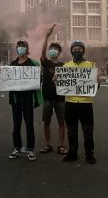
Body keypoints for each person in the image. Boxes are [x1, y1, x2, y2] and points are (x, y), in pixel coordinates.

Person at [62, 41, 97, 164]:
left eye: (80, 49)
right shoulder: (65, 66)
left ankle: (89, 154)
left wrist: (97, 81)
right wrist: (57, 80)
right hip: (70, 103)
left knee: (88, 130)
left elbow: (95, 86)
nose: (77, 51)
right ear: (71, 51)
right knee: (71, 131)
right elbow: (61, 85)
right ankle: (72, 153)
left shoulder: (91, 65)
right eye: (75, 49)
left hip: (85, 103)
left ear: (83, 51)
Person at [8, 40, 40, 161]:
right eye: (19, 46)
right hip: (16, 99)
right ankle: (17, 147)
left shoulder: (33, 64)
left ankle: (30, 149)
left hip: (28, 98)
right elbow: (8, 80)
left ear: (27, 48)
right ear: (16, 49)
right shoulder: (12, 64)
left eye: (23, 46)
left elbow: (38, 80)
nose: (20, 48)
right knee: (16, 125)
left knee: (29, 124)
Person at [40, 25, 66, 155]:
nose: (53, 50)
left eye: (55, 49)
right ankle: (48, 144)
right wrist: (47, 37)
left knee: (62, 122)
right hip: (47, 98)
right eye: (51, 48)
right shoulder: (46, 63)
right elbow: (43, 53)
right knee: (47, 122)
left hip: (61, 98)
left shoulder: (64, 66)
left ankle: (61, 145)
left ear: (59, 52)